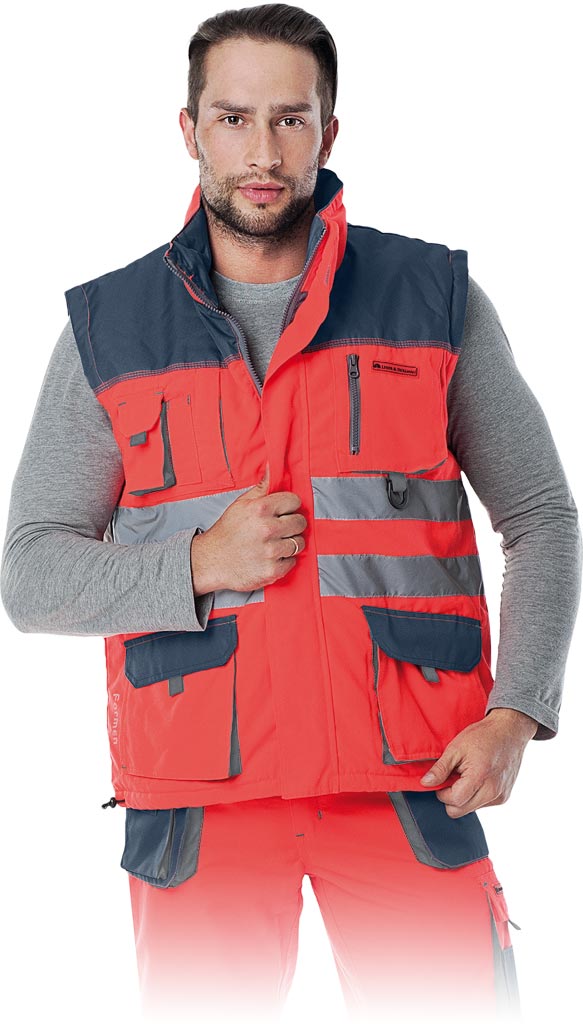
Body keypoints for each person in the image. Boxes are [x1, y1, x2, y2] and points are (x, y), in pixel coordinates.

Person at [1, 4, 581, 1022]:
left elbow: (541, 515)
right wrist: (196, 563)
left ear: (328, 131)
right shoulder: (109, 327)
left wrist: (517, 710)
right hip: (201, 800)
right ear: (189, 129)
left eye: (289, 119)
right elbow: (30, 573)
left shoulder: (432, 300)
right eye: (233, 119)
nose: (262, 153)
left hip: (408, 779)